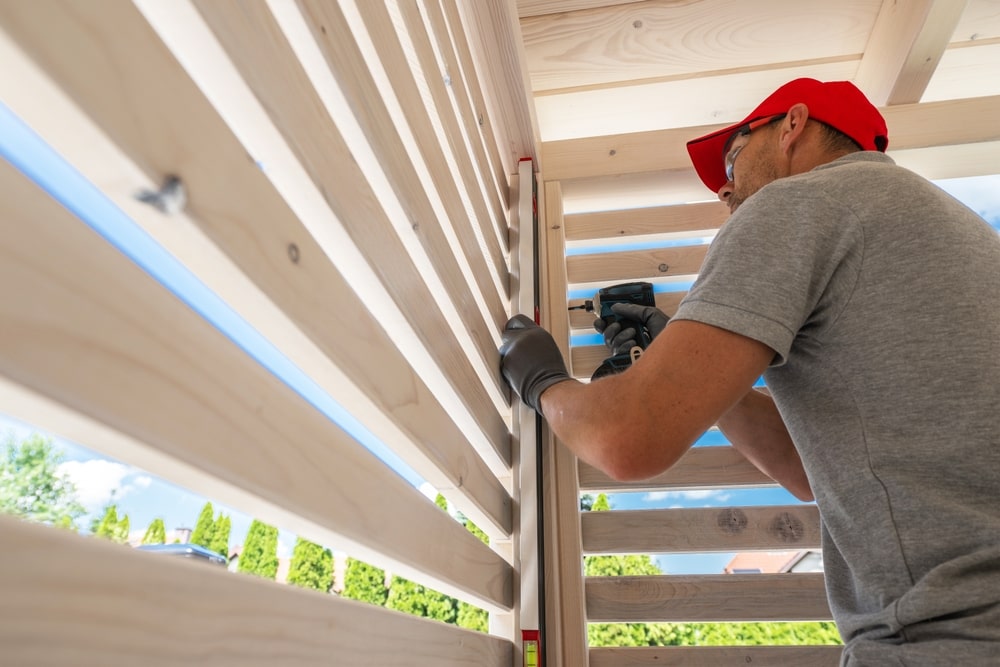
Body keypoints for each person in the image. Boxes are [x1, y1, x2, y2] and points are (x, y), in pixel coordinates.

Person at [499, 78, 1000, 665]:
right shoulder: (957, 235)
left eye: (734, 156)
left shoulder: (801, 203)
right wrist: (697, 377)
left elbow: (626, 438)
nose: (724, 187)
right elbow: (820, 473)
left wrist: (544, 383)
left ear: (793, 126)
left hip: (947, 639)